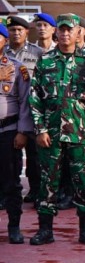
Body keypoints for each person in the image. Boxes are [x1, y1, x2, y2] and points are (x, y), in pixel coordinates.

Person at [29, 14, 85, 246]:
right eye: (61, 29)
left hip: (79, 134)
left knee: (83, 181)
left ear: (79, 31)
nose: (65, 33)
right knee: (47, 181)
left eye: (70, 29)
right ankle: (45, 229)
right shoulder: (45, 61)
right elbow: (35, 98)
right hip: (50, 134)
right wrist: (40, 129)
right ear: (56, 32)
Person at [0, 23, 33, 244]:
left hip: (8, 130)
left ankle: (14, 226)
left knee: (11, 181)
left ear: (4, 41)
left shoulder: (17, 67)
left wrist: (23, 131)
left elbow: (25, 102)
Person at [5, 15, 42, 206]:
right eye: (12, 30)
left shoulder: (38, 53)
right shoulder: (3, 52)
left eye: (20, 30)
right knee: (12, 157)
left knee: (35, 156)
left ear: (27, 32)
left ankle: (35, 191)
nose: (16, 33)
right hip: (12, 112)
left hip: (33, 109)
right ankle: (10, 192)